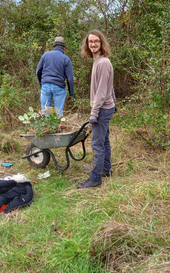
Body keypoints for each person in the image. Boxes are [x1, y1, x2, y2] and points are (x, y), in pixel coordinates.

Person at [77, 30, 116, 189]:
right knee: (104, 141)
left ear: (101, 43)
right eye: (90, 41)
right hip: (106, 108)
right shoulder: (98, 61)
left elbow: (101, 91)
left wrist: (94, 113)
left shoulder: (103, 63)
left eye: (96, 41)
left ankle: (95, 179)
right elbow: (109, 87)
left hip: (101, 109)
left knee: (97, 144)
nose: (93, 44)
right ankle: (106, 169)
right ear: (87, 44)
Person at [36, 36, 74, 116]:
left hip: (45, 86)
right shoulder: (66, 59)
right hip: (59, 87)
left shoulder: (45, 55)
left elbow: (38, 72)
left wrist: (42, 84)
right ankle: (57, 127)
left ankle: (47, 126)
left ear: (54, 47)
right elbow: (70, 78)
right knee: (58, 112)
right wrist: (71, 92)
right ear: (64, 48)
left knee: (46, 111)